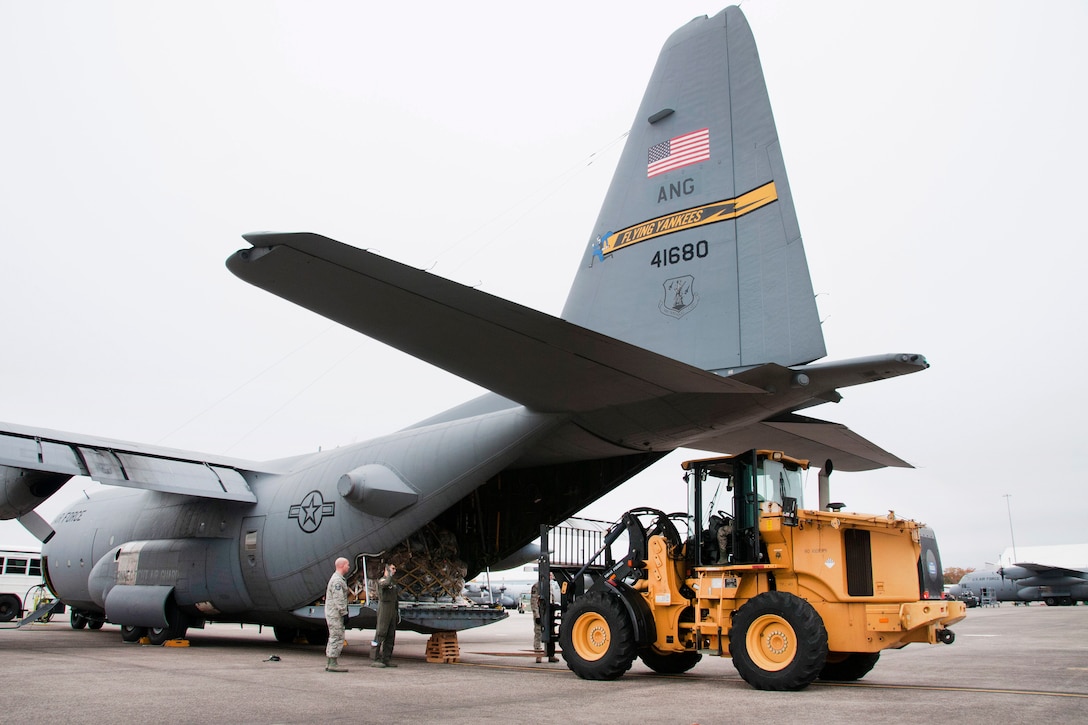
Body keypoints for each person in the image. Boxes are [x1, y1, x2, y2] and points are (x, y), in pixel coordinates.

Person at [324, 557, 351, 673]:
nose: (349, 567)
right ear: (342, 566)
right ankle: (332, 663)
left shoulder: (339, 579)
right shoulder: (337, 581)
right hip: (335, 614)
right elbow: (339, 599)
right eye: (347, 565)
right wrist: (344, 613)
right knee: (337, 636)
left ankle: (331, 661)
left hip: (334, 613)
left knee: (334, 636)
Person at [372, 562, 400, 668]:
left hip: (392, 609)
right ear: (387, 569)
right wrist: (388, 574)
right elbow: (385, 584)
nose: (394, 570)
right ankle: (375, 658)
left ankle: (386, 658)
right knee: (381, 632)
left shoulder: (393, 582)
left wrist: (397, 612)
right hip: (384, 608)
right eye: (392, 568)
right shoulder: (383, 581)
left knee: (390, 635)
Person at [531, 572, 559, 663]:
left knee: (550, 633)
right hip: (540, 611)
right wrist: (537, 616)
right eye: (550, 575)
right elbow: (534, 601)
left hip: (548, 612)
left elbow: (552, 598)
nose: (551, 576)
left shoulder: (549, 585)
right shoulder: (537, 586)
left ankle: (551, 654)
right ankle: (538, 654)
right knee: (538, 633)